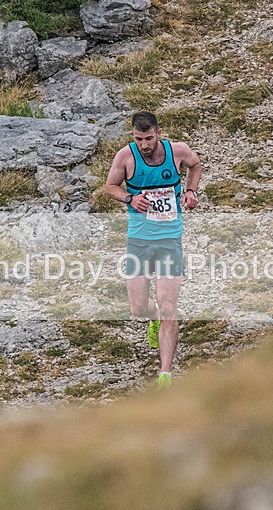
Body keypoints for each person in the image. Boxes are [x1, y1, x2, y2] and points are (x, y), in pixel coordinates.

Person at [103, 111, 201, 387]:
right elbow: (109, 186)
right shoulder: (126, 157)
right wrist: (130, 198)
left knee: (170, 306)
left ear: (158, 133)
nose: (144, 145)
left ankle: (165, 374)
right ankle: (153, 318)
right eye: (138, 139)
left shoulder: (177, 151)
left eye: (148, 138)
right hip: (139, 240)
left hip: (170, 239)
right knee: (137, 308)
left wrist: (191, 191)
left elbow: (196, 165)